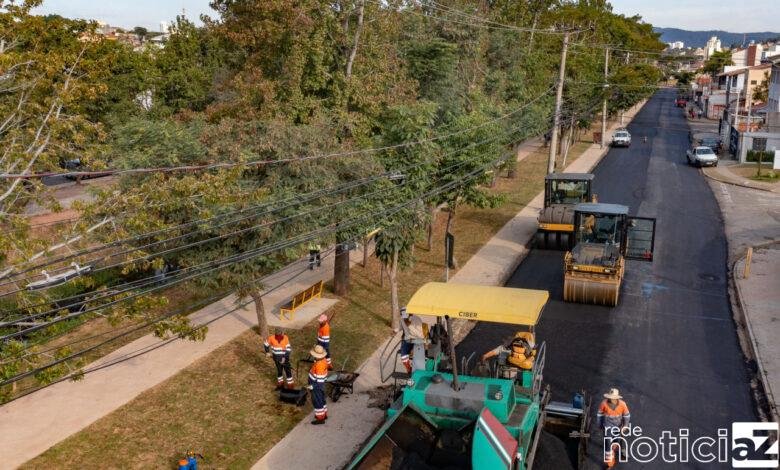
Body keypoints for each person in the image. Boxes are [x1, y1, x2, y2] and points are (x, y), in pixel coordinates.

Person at [597, 388, 631, 464]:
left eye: (613, 398)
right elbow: (599, 415)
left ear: (617, 398)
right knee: (608, 442)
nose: (611, 399)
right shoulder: (603, 403)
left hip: (618, 426)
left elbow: (627, 416)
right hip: (608, 426)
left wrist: (625, 425)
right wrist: (599, 424)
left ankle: (622, 449)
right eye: (610, 398)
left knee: (618, 439)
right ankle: (609, 461)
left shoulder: (622, 404)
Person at [307, 344, 329, 425]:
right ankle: (324, 414)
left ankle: (320, 418)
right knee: (322, 400)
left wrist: (312, 386)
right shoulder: (323, 360)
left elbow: (319, 382)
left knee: (317, 401)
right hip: (321, 386)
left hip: (316, 386)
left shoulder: (319, 365)